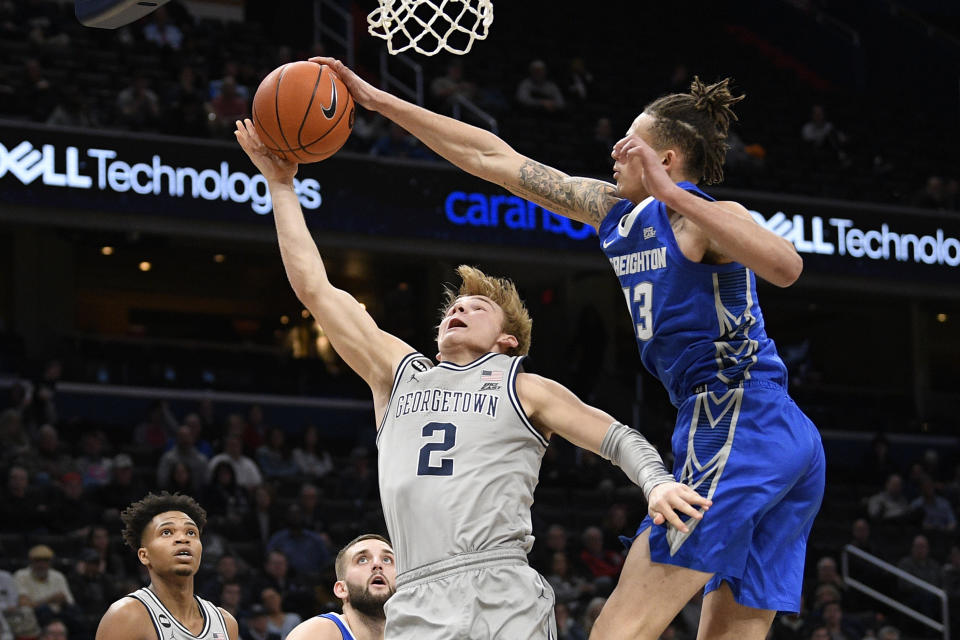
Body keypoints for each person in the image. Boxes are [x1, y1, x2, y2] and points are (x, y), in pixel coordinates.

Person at [313, 57, 826, 640]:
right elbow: (493, 159)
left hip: (739, 418)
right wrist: (381, 101)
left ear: (665, 160)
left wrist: (672, 195)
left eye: (631, 141)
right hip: (773, 436)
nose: (614, 146)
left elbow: (787, 267)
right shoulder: (614, 213)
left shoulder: (704, 219)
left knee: (616, 630)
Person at [235, 117, 708, 640]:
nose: (458, 310)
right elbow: (315, 289)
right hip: (414, 594)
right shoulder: (398, 373)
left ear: (508, 340)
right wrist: (281, 186)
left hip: (499, 588)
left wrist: (658, 482)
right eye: (452, 307)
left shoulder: (522, 384)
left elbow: (616, 436)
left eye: (476, 307)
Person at [93, 492, 239, 640]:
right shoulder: (125, 616)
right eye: (167, 532)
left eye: (191, 532)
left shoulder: (226, 623)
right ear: (144, 556)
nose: (183, 539)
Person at [286, 534, 396, 640]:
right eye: (362, 560)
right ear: (342, 589)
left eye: (387, 559)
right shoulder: (319, 631)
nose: (377, 564)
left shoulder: (409, 632)